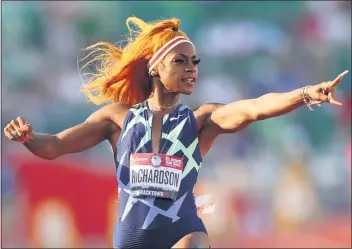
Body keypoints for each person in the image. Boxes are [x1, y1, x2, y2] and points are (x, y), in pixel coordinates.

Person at [3, 16, 348, 249]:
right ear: (155, 67)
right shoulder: (116, 118)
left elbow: (254, 107)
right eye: (181, 61)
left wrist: (305, 95)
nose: (191, 69)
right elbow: (55, 147)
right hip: (131, 236)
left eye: (195, 62)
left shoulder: (202, 120)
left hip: (182, 232)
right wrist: (29, 139)